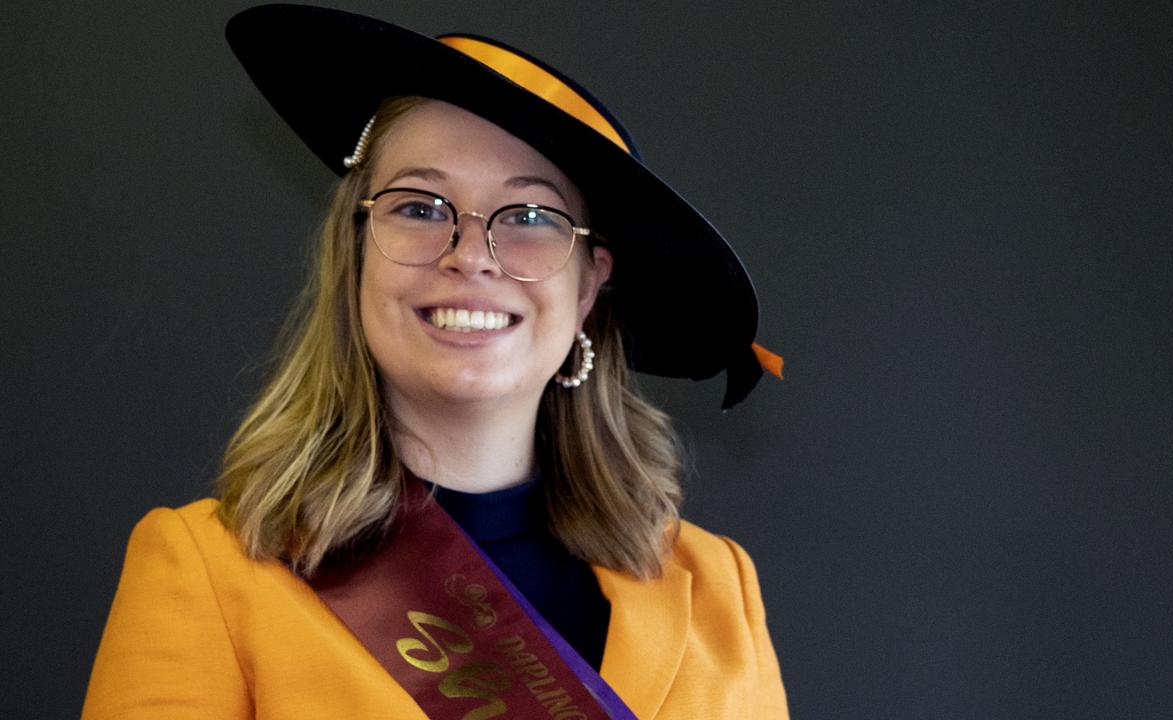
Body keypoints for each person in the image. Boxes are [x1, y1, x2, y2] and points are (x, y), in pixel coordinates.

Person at [83, 5, 787, 719]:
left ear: (588, 286)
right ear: (356, 253)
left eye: (530, 219)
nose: (469, 256)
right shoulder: (208, 569)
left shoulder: (716, 588)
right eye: (420, 207)